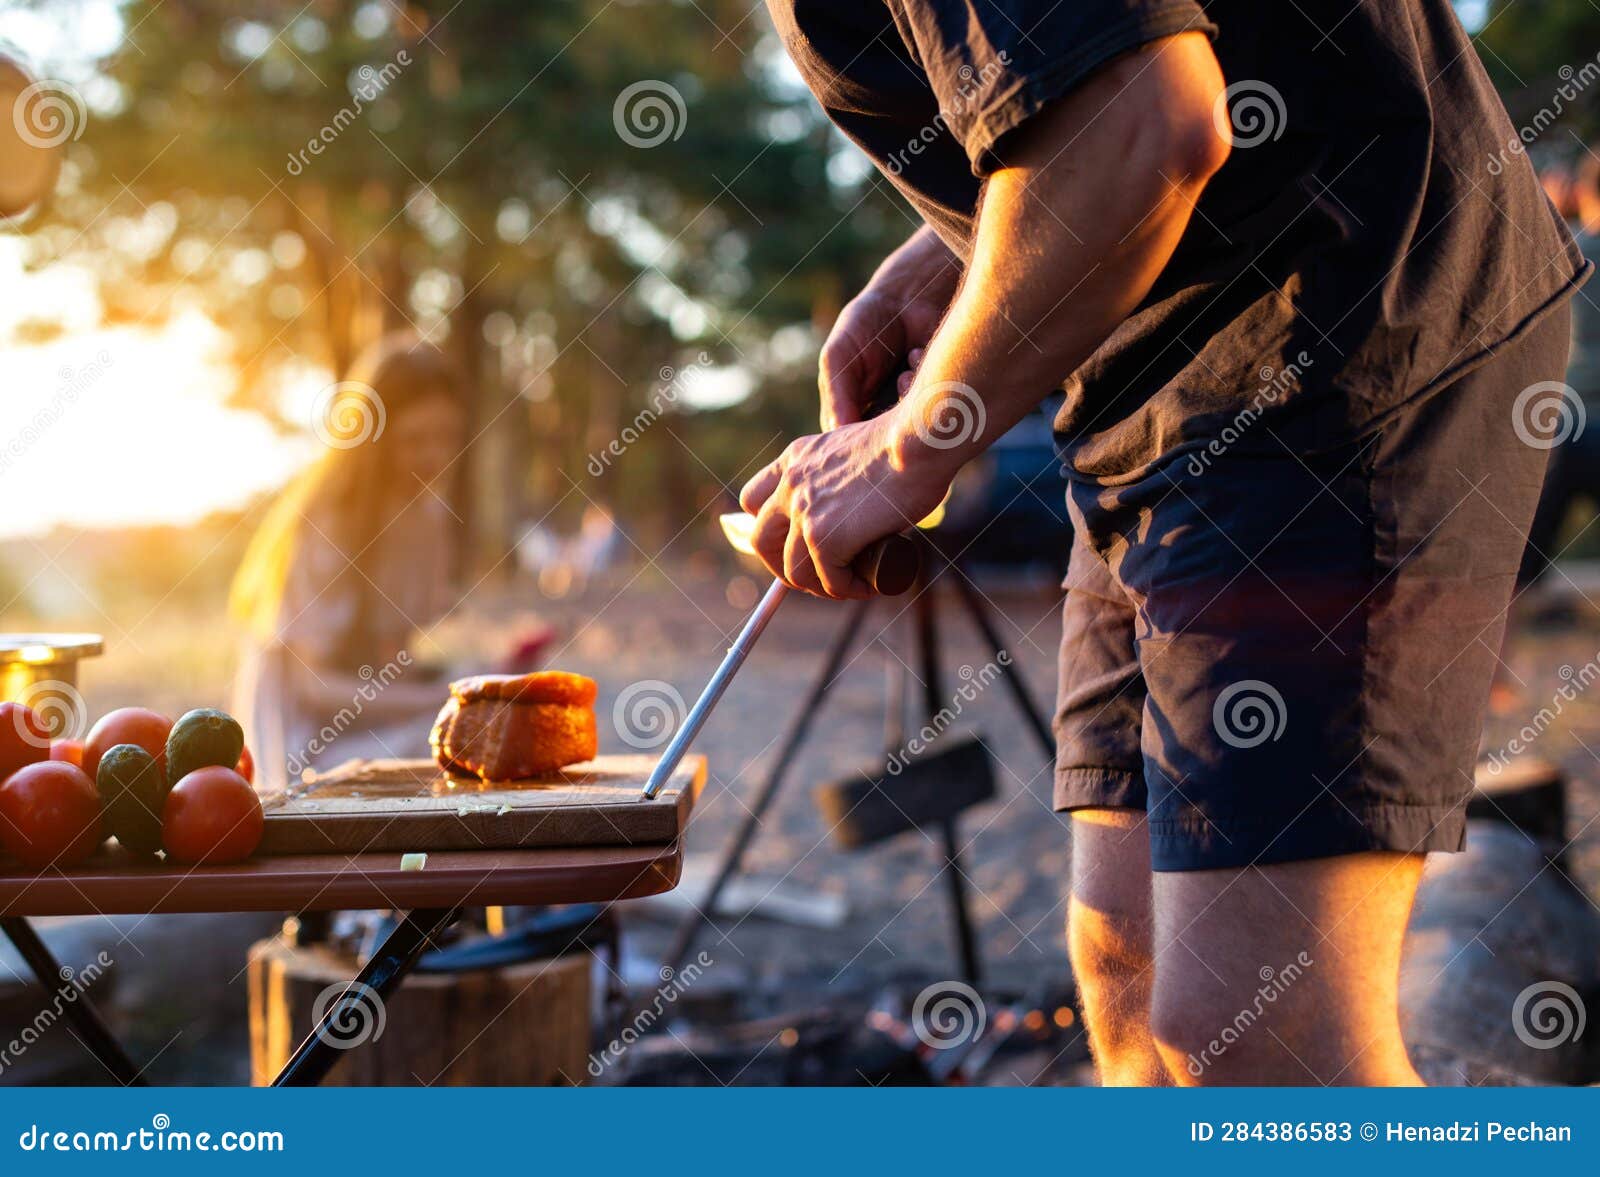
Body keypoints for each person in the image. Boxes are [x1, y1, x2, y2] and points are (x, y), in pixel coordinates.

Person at [737, 1, 1586, 1085]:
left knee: (1260, 1037)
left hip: (1334, 341)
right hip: (1155, 385)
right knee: (1131, 984)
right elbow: (1112, 68)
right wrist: (956, 252)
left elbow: (1151, 122)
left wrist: (912, 444)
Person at [229, 335, 467, 793]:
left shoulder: (426, 517)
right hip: (301, 749)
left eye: (445, 437)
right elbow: (314, 690)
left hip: (363, 726)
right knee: (453, 740)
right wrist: (440, 697)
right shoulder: (325, 524)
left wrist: (470, 678)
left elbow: (389, 662)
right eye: (413, 440)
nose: (433, 457)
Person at [1519, 152, 1600, 590]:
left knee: (1514, 581)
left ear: (1583, 192)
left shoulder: (1563, 256)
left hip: (1560, 428)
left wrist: (1545, 205)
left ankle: (1499, 659)